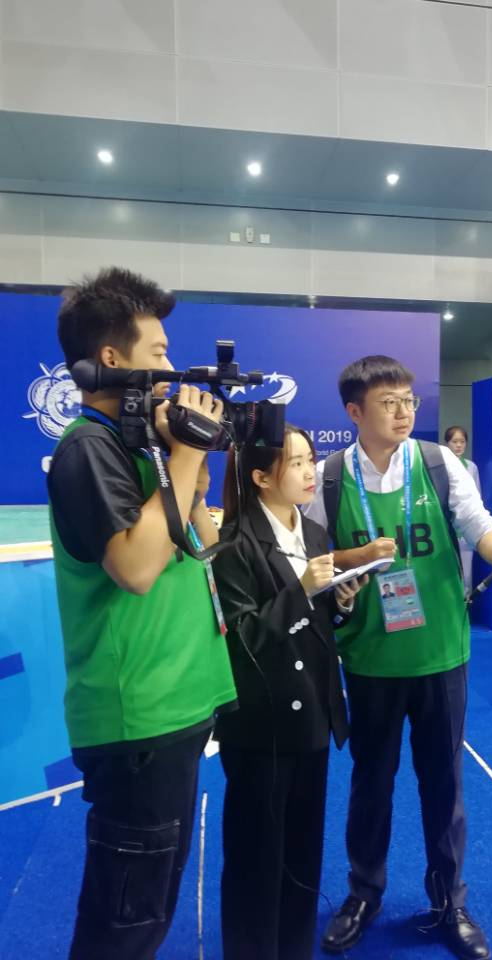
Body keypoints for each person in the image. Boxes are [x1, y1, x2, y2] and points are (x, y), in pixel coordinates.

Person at [306, 355, 492, 960]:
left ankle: (449, 899)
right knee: (370, 783)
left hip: (440, 654)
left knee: (444, 784)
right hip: (369, 659)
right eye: (388, 403)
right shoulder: (330, 478)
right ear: (354, 411)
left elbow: (477, 523)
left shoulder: (438, 463)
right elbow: (313, 559)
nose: (403, 412)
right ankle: (364, 893)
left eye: (408, 400)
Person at [47, 267, 238, 960]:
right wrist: (184, 453)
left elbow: (202, 546)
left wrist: (190, 467)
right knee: (124, 922)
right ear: (111, 357)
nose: (170, 367)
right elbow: (134, 568)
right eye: (158, 352)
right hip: (137, 720)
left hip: (175, 708)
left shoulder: (139, 447)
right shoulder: (86, 447)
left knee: (150, 905)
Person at [211, 425, 366, 960]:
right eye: (295, 462)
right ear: (261, 477)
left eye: (310, 459)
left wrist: (341, 602)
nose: (308, 471)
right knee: (255, 858)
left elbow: (321, 628)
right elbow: (242, 641)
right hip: (261, 725)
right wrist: (301, 591)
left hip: (313, 716)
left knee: (303, 855)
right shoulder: (234, 545)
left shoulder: (315, 535)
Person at [444, 426, 481, 591]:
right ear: (447, 443)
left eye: (462, 442)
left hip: (466, 528)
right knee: (448, 571)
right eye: (454, 442)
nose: (459, 445)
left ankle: (466, 600)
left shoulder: (471, 467)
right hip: (446, 526)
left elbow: (477, 496)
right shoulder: (440, 465)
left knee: (466, 573)